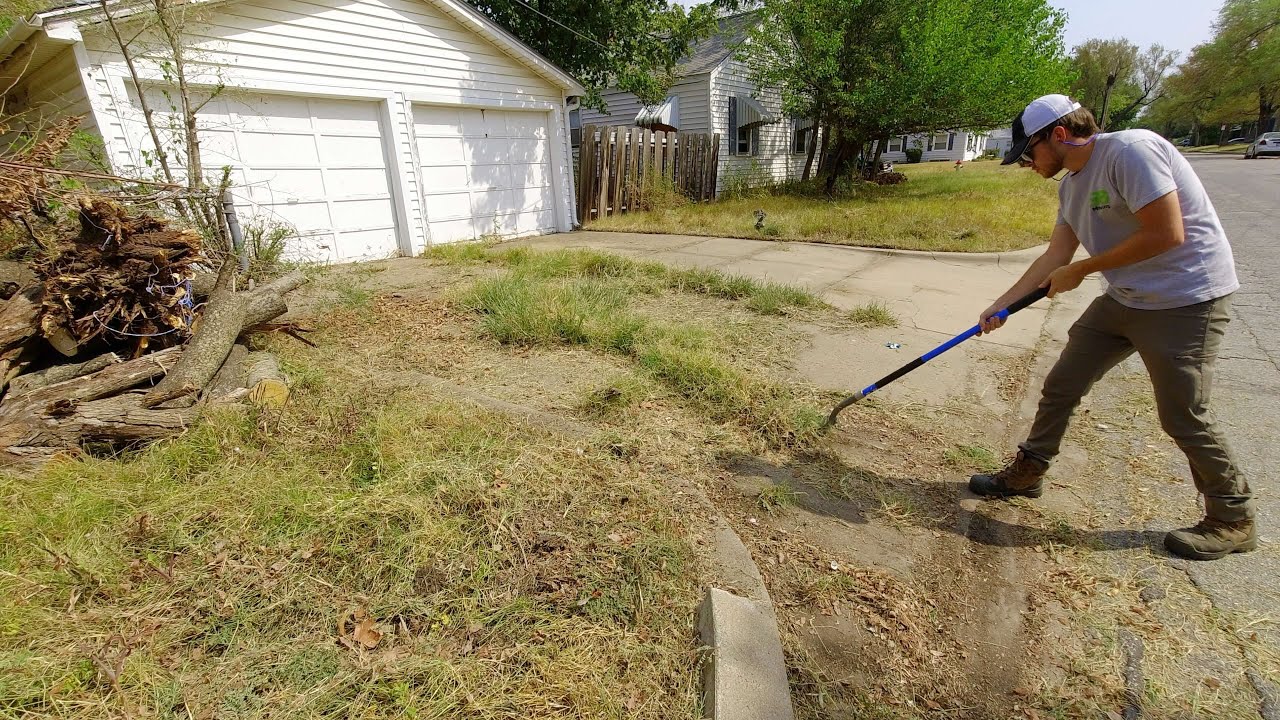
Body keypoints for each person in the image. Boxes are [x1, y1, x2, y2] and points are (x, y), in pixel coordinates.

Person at [970, 94, 1253, 561]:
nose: (1023, 163)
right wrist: (1001, 306)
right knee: (1062, 383)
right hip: (1125, 298)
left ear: (1058, 135)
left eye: (1027, 152)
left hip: (1186, 299)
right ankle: (1029, 472)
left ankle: (1233, 517)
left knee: (1183, 414)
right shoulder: (1072, 187)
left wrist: (1085, 270)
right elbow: (1055, 257)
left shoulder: (1131, 150)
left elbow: (1167, 233)